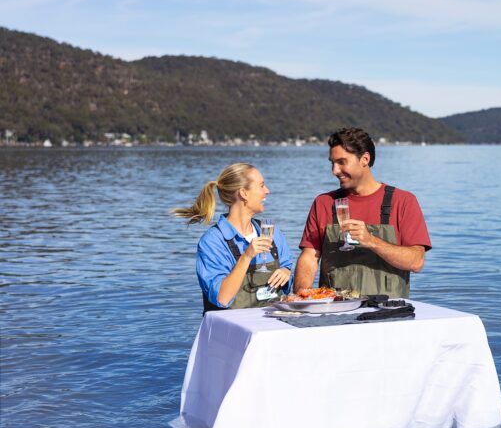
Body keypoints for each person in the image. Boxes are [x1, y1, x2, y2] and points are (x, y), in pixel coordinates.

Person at [294, 127, 430, 297]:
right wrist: (300, 295)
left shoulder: (403, 201)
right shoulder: (323, 203)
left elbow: (416, 261)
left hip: (388, 314)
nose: (334, 171)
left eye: (342, 162)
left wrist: (371, 241)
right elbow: (309, 258)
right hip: (335, 312)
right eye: (332, 163)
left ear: (365, 159)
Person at [171, 163, 293, 312]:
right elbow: (222, 298)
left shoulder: (272, 233)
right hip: (230, 331)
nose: (267, 191)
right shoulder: (212, 241)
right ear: (243, 193)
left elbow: (287, 276)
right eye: (261, 186)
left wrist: (286, 272)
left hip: (270, 326)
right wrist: (247, 256)